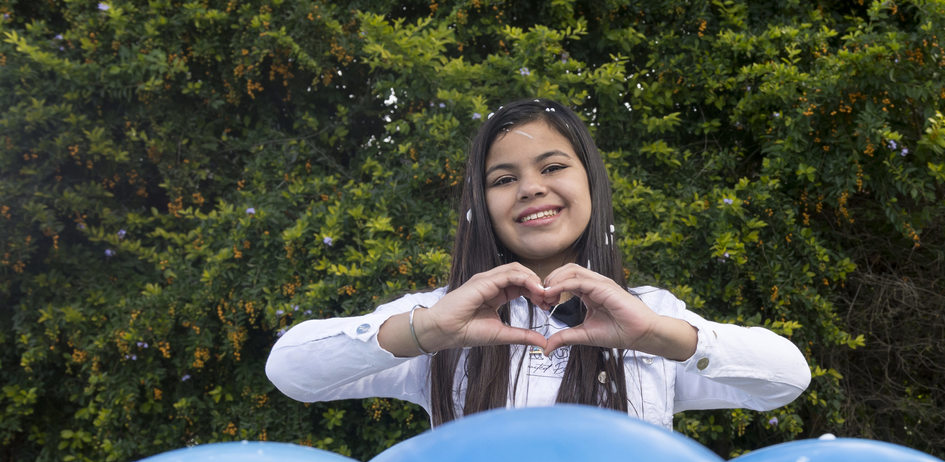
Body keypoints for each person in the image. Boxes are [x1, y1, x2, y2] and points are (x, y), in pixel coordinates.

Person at [266, 99, 811, 429]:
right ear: (482, 207)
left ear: (590, 184)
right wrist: (426, 331)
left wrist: (656, 334)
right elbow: (290, 370)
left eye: (553, 166)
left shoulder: (651, 316)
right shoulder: (439, 316)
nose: (531, 188)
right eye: (503, 180)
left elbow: (786, 379)